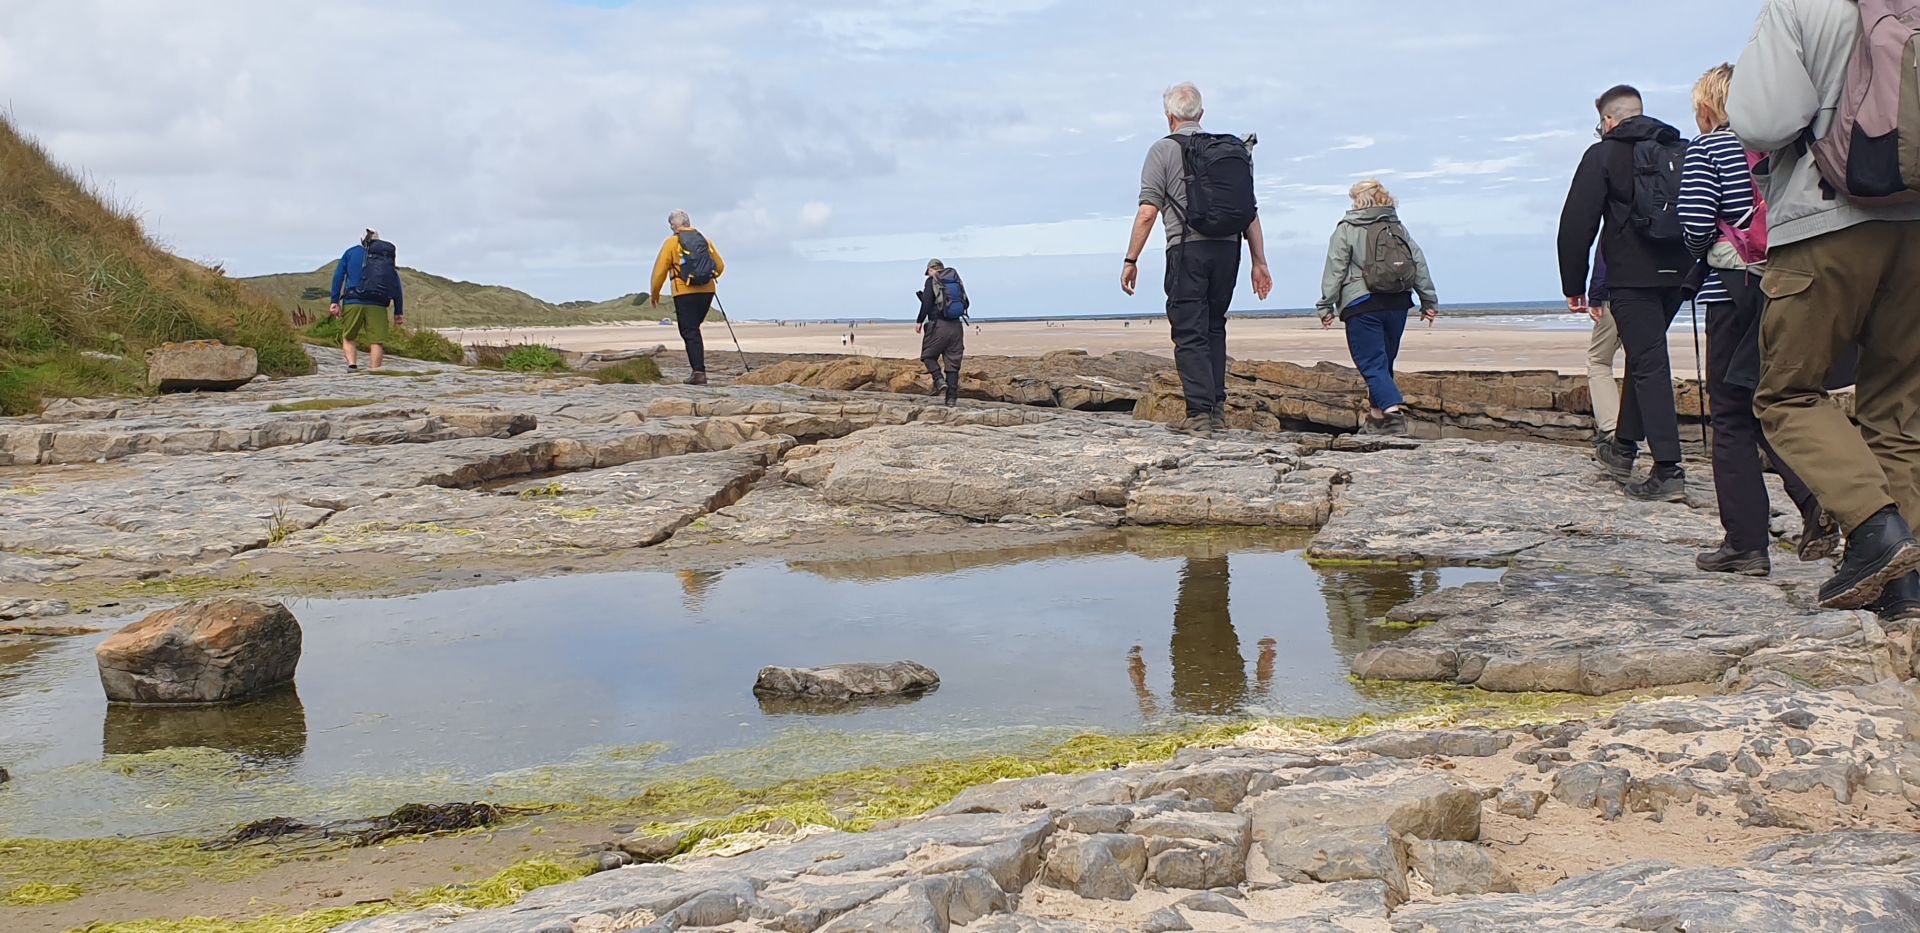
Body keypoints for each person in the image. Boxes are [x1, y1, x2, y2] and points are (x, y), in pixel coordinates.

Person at [1730, 0, 1920, 613]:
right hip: (1916, 228)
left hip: (1825, 218)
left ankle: (1874, 529)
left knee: (1787, 393)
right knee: (1898, 407)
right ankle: (1904, 586)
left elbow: (1763, 120)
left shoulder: (1801, 5)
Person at [1679, 63, 1837, 577]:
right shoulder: (1788, 143)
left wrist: (1699, 250)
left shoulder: (1708, 148)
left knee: (1728, 414)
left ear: (1707, 105)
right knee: (1775, 401)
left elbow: (1697, 224)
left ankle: (1746, 544)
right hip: (1792, 284)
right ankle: (1818, 501)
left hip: (1736, 287)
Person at [1557, 85, 1695, 501]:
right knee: (1642, 355)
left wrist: (1573, 285)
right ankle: (1622, 449)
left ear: (1609, 121)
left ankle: (1668, 469)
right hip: (1679, 273)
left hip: (1632, 276)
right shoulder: (1680, 149)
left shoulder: (1602, 155)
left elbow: (1576, 225)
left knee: (1650, 363)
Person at [1122, 82, 1274, 437]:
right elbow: (1250, 212)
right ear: (1201, 115)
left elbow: (1148, 212)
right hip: (1228, 250)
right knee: (1214, 326)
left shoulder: (1162, 151)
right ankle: (1217, 409)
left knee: (1189, 331)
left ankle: (1199, 415)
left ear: (1169, 116)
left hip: (1187, 248)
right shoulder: (1230, 151)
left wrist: (1131, 259)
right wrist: (1259, 261)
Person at [1313, 179, 1439, 435]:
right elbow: (1419, 262)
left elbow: (1335, 269)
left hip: (1362, 304)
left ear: (1359, 201)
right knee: (1383, 364)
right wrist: (1428, 300)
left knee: (1371, 364)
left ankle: (1393, 415)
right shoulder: (1397, 227)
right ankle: (1376, 418)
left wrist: (1325, 305)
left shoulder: (1347, 229)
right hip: (1397, 302)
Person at [649, 210, 726, 386]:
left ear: (674, 226)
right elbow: (720, 266)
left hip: (684, 291)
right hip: (707, 291)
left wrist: (655, 293)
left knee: (690, 331)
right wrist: (707, 277)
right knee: (694, 330)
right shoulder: (705, 241)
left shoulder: (671, 243)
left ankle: (698, 373)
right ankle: (698, 370)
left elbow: (660, 270)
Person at [328, 229, 405, 372]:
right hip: (378, 303)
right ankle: (374, 371)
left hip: (353, 301)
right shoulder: (385, 258)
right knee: (376, 341)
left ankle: (352, 366)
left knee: (349, 337)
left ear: (363, 239)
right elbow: (395, 283)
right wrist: (398, 311)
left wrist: (334, 301)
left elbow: (338, 276)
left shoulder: (351, 253)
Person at [1584, 251, 1623, 452]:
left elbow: (1604, 256)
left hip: (1617, 294)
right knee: (1645, 364)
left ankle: (1612, 429)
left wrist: (1596, 295)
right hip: (1658, 294)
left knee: (1598, 361)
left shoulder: (1617, 218)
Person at [915, 259, 968, 407]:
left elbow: (926, 304)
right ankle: (951, 399)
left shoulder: (932, 281)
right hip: (957, 326)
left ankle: (939, 380)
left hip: (938, 326)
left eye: (928, 272)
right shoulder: (955, 281)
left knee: (928, 356)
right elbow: (966, 303)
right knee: (953, 363)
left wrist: (919, 321)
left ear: (932, 269)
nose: (928, 275)